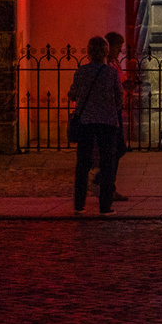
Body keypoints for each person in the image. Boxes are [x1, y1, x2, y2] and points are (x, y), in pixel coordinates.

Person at [67, 36, 123, 214]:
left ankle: (79, 204)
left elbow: (73, 93)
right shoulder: (111, 73)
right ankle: (105, 206)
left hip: (86, 122)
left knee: (83, 164)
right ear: (106, 52)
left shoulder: (82, 71)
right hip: (107, 122)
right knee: (107, 164)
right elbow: (119, 98)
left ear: (89, 51)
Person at [92, 30, 131, 203]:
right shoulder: (106, 66)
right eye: (117, 47)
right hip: (110, 112)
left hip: (115, 110)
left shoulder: (114, 63)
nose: (119, 51)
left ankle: (105, 183)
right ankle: (106, 184)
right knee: (116, 148)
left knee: (117, 148)